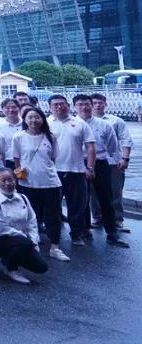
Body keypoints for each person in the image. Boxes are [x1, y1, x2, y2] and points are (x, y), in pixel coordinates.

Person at [12, 106, 69, 262]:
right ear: (25, 120)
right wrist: (19, 173)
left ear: (43, 119)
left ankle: (55, 247)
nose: (34, 120)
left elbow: (53, 158)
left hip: (50, 182)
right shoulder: (18, 137)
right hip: (28, 182)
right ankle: (33, 245)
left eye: (37, 117)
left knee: (53, 216)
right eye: (30, 117)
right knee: (30, 216)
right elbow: (16, 158)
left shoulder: (50, 137)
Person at [73, 94, 128, 248]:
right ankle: (85, 230)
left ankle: (111, 233)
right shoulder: (71, 124)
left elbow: (112, 147)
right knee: (82, 199)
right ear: (74, 107)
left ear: (91, 106)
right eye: (80, 104)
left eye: (87, 104)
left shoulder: (104, 124)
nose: (84, 107)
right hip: (78, 164)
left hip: (101, 163)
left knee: (106, 199)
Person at [47, 95, 101, 247]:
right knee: (53, 206)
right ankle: (53, 237)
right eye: (55, 105)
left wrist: (90, 167)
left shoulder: (80, 123)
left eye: (62, 104)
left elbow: (90, 147)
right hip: (53, 172)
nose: (59, 107)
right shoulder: (46, 124)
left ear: (68, 106)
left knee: (77, 206)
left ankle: (76, 234)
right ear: (50, 107)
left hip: (76, 171)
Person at [0, 168, 48, 284]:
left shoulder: (23, 198)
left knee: (42, 267)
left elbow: (32, 221)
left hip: (23, 240)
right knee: (23, 243)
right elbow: (3, 229)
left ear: (15, 180)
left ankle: (16, 256)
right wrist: (27, 241)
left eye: (10, 179)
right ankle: (10, 268)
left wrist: (34, 241)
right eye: (3, 180)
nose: (8, 183)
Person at [91, 93, 132, 232]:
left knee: (116, 191)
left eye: (100, 103)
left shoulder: (116, 121)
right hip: (94, 162)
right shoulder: (83, 121)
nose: (97, 105)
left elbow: (126, 139)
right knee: (94, 192)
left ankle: (118, 220)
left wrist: (125, 158)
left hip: (114, 162)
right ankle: (97, 218)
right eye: (94, 103)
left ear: (105, 104)